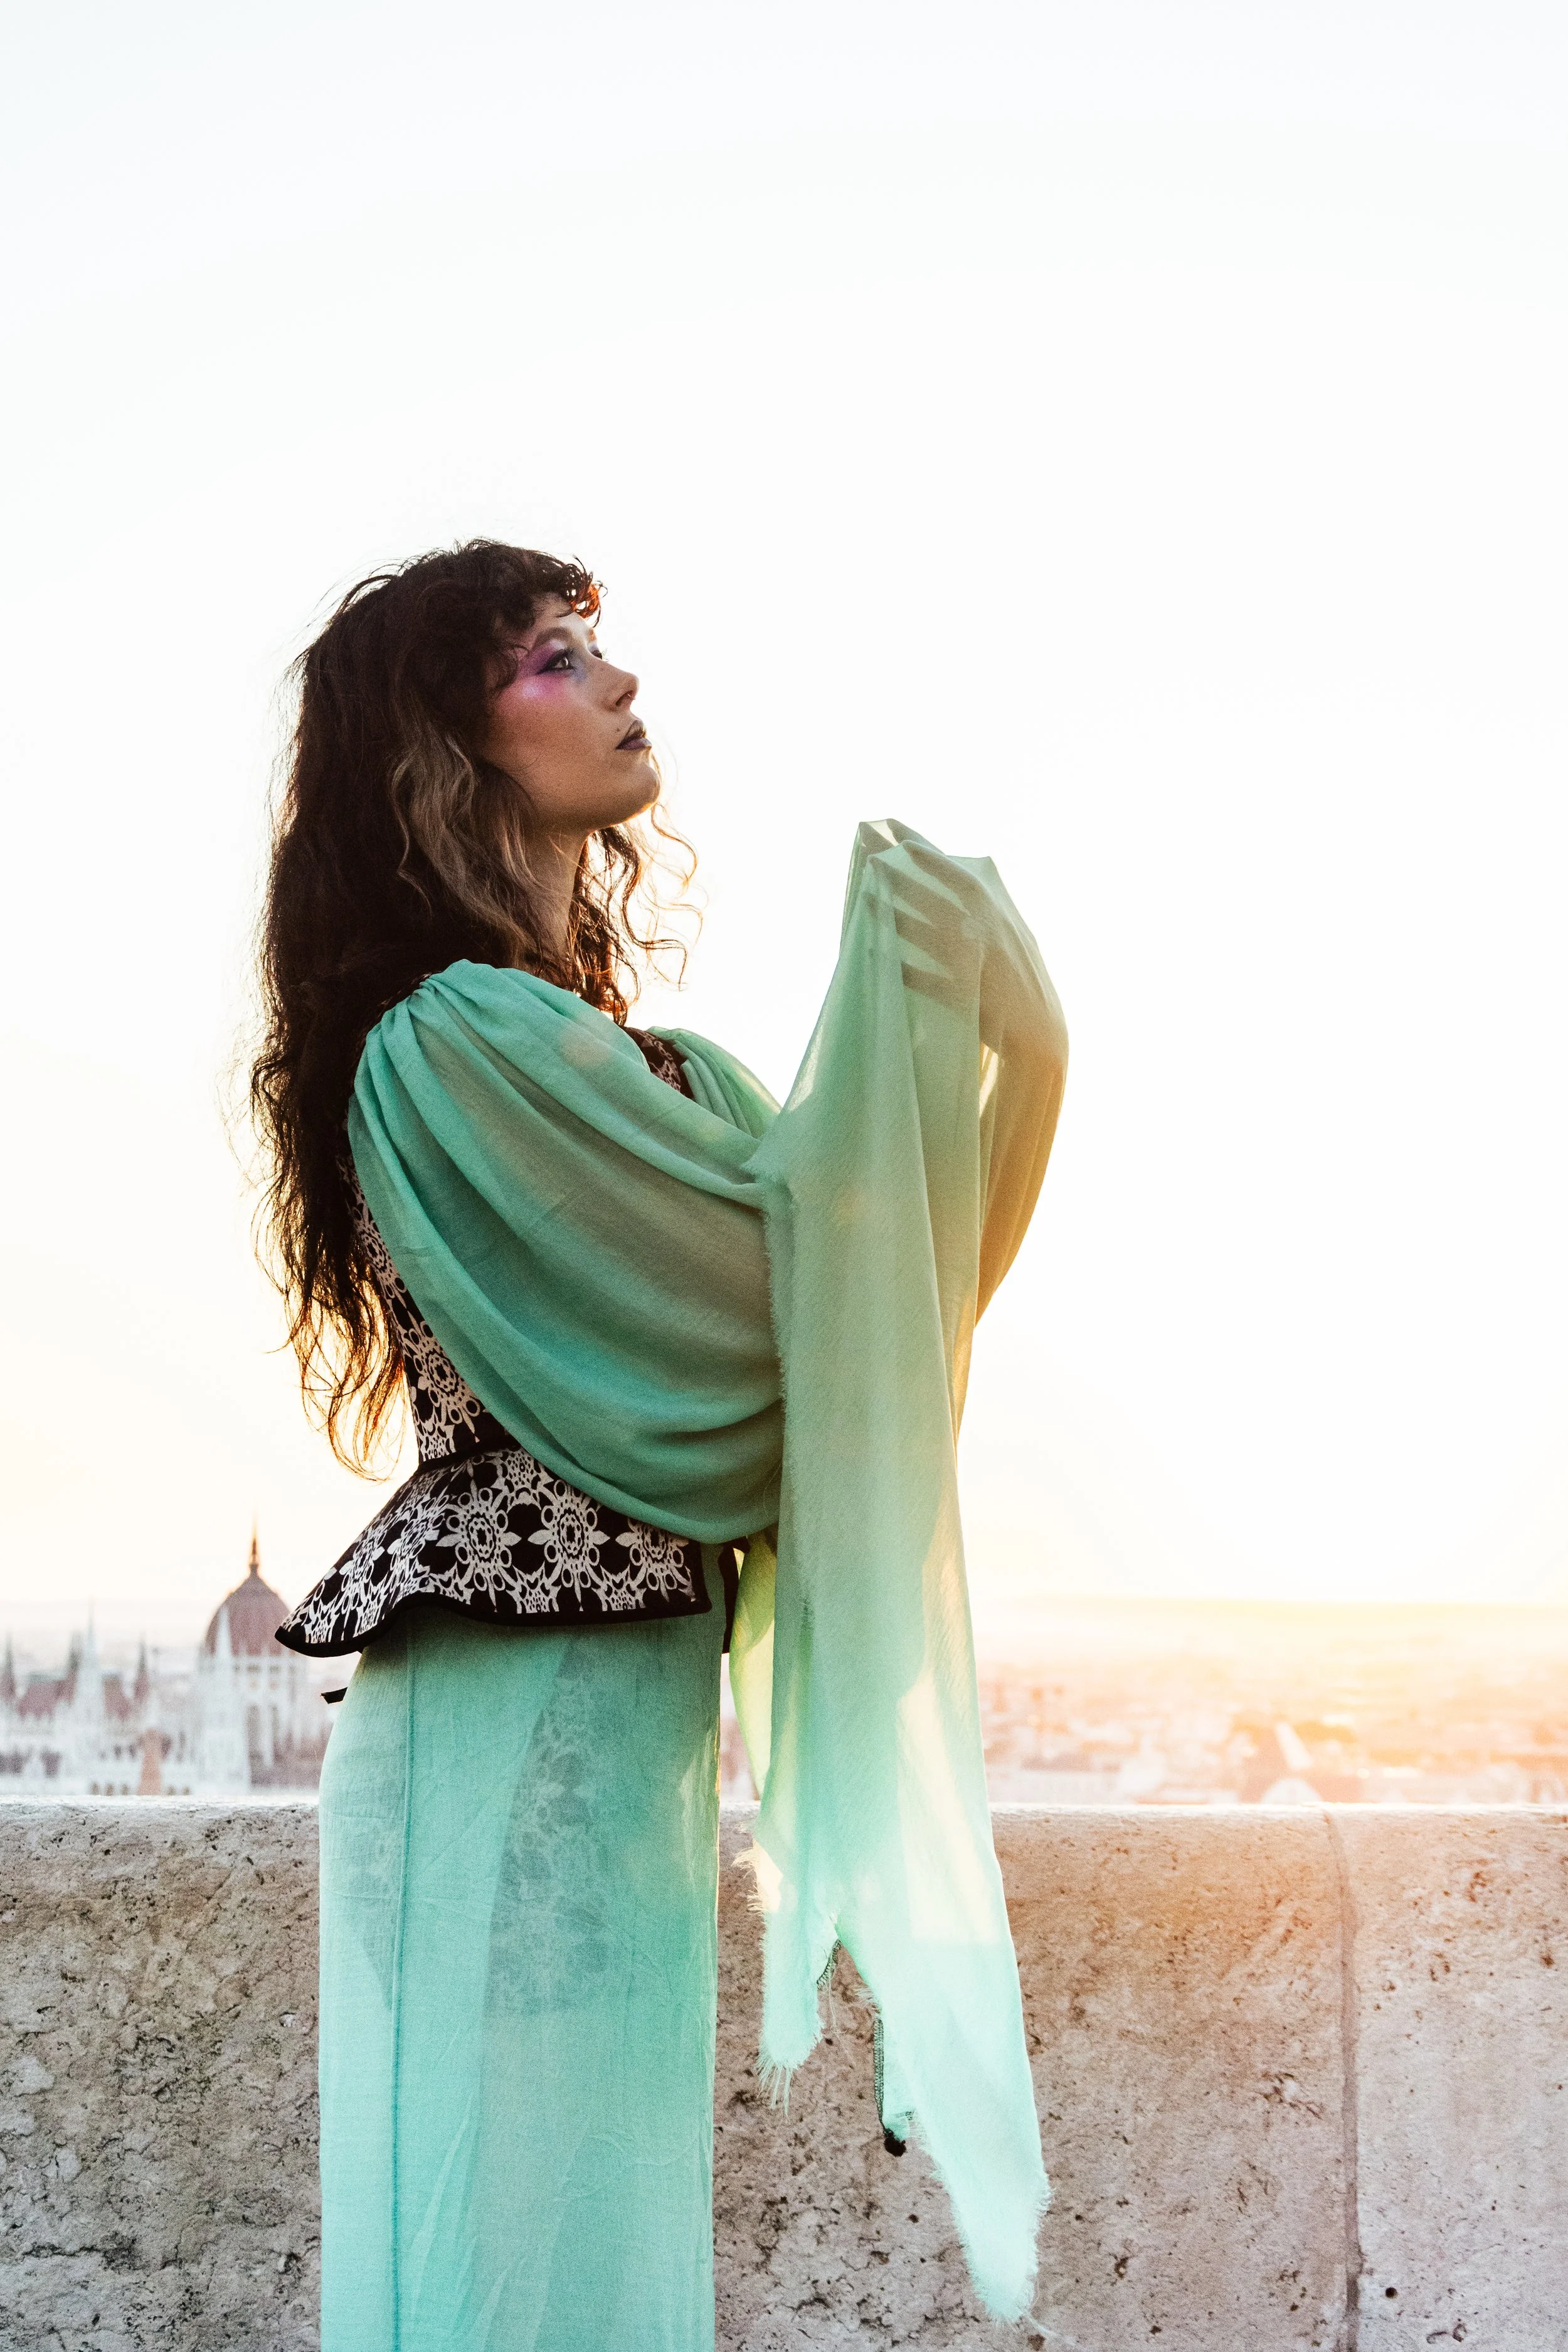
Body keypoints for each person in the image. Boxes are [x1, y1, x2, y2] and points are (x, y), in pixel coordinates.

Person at [252, 540, 1068, 2351]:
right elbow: (761, 1324)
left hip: (601, 1731)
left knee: (579, 2256)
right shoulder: (453, 1039)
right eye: (553, 661)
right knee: (513, 2261)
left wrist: (962, 1030)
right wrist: (922, 1033)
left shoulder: (617, 1052)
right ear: (442, 752)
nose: (617, 685)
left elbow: (838, 1311)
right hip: (509, 1739)